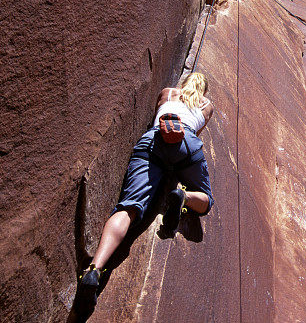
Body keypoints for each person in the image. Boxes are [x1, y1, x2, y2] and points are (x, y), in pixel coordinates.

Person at [75, 72, 214, 311]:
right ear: (203, 90)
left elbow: (156, 117)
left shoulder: (168, 93)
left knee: (129, 207)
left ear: (184, 83)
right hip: (186, 143)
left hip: (155, 139)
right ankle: (185, 197)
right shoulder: (206, 105)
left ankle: (94, 270)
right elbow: (195, 132)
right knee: (206, 200)